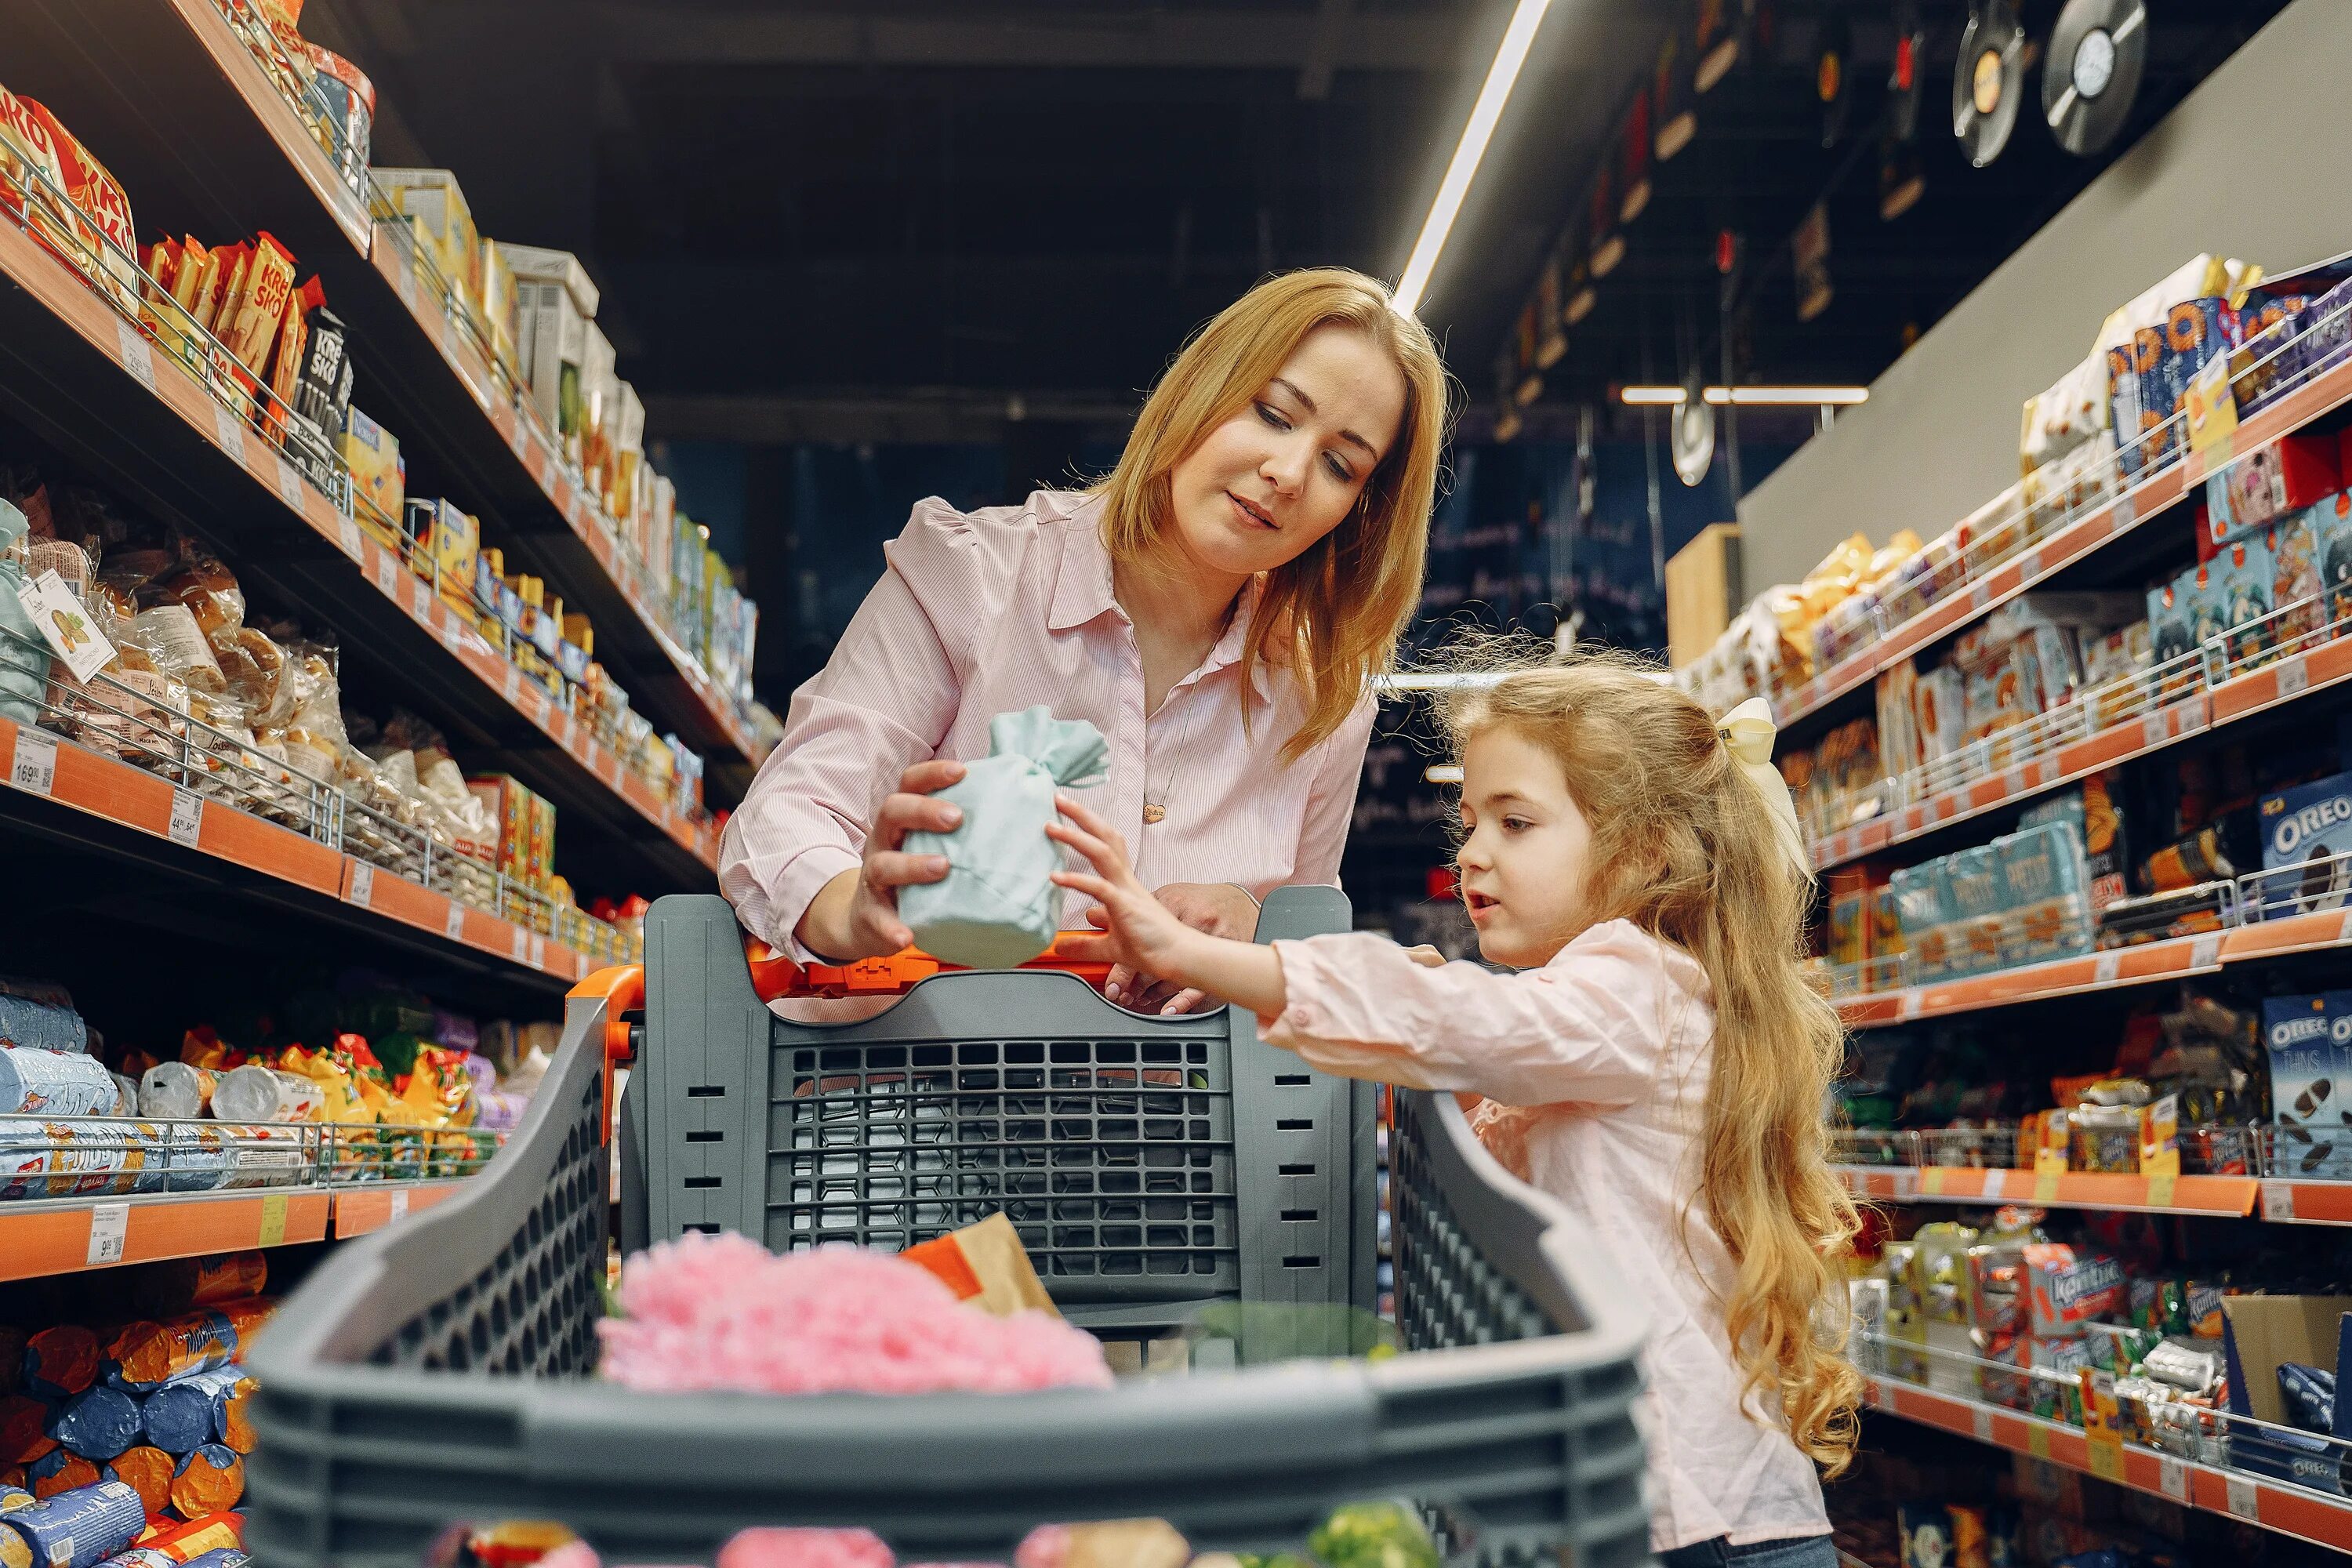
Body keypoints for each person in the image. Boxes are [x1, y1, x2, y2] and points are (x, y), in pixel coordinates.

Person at [1044, 652, 1860, 1566]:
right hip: (1686, 1502)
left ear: (1642, 851)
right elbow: (1524, 1103)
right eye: (1472, 821)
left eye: (1517, 822)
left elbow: (1452, 1019)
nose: (1472, 850)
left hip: (1693, 1518)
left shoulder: (1636, 980)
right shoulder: (1622, 1001)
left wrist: (1193, 956)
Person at [720, 268, 1448, 1012]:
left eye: (1340, 465)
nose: (1288, 473)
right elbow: (790, 813)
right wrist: (853, 905)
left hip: (1184, 1121)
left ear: (1359, 512)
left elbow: (1305, 948)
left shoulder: (1324, 694)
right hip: (923, 1102)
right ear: (1201, 387)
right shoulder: (972, 578)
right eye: (1271, 413)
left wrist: (1263, 940)